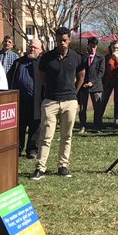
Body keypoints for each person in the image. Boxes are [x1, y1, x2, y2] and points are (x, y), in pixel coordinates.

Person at [31, 27, 85, 180]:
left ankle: (63, 166)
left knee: (66, 136)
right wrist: (51, 91)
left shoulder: (76, 57)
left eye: (65, 40)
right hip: (50, 101)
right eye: (59, 40)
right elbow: (42, 78)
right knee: (46, 136)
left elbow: (81, 76)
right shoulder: (47, 58)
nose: (62, 43)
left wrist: (73, 92)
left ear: (69, 40)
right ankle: (40, 168)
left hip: (70, 101)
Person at [8, 38, 43, 158]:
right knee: (19, 127)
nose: (32, 49)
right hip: (20, 101)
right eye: (30, 46)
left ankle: (32, 150)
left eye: (35, 47)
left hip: (36, 101)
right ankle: (17, 148)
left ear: (40, 50)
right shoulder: (18, 63)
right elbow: (9, 79)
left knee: (35, 127)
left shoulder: (42, 64)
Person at [77, 36, 105, 133]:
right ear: (88, 45)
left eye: (95, 47)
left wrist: (92, 82)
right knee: (82, 107)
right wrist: (83, 82)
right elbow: (79, 70)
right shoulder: (82, 56)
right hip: (83, 86)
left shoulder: (100, 57)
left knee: (97, 107)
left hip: (96, 86)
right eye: (91, 46)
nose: (93, 48)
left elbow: (101, 72)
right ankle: (82, 126)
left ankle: (97, 126)